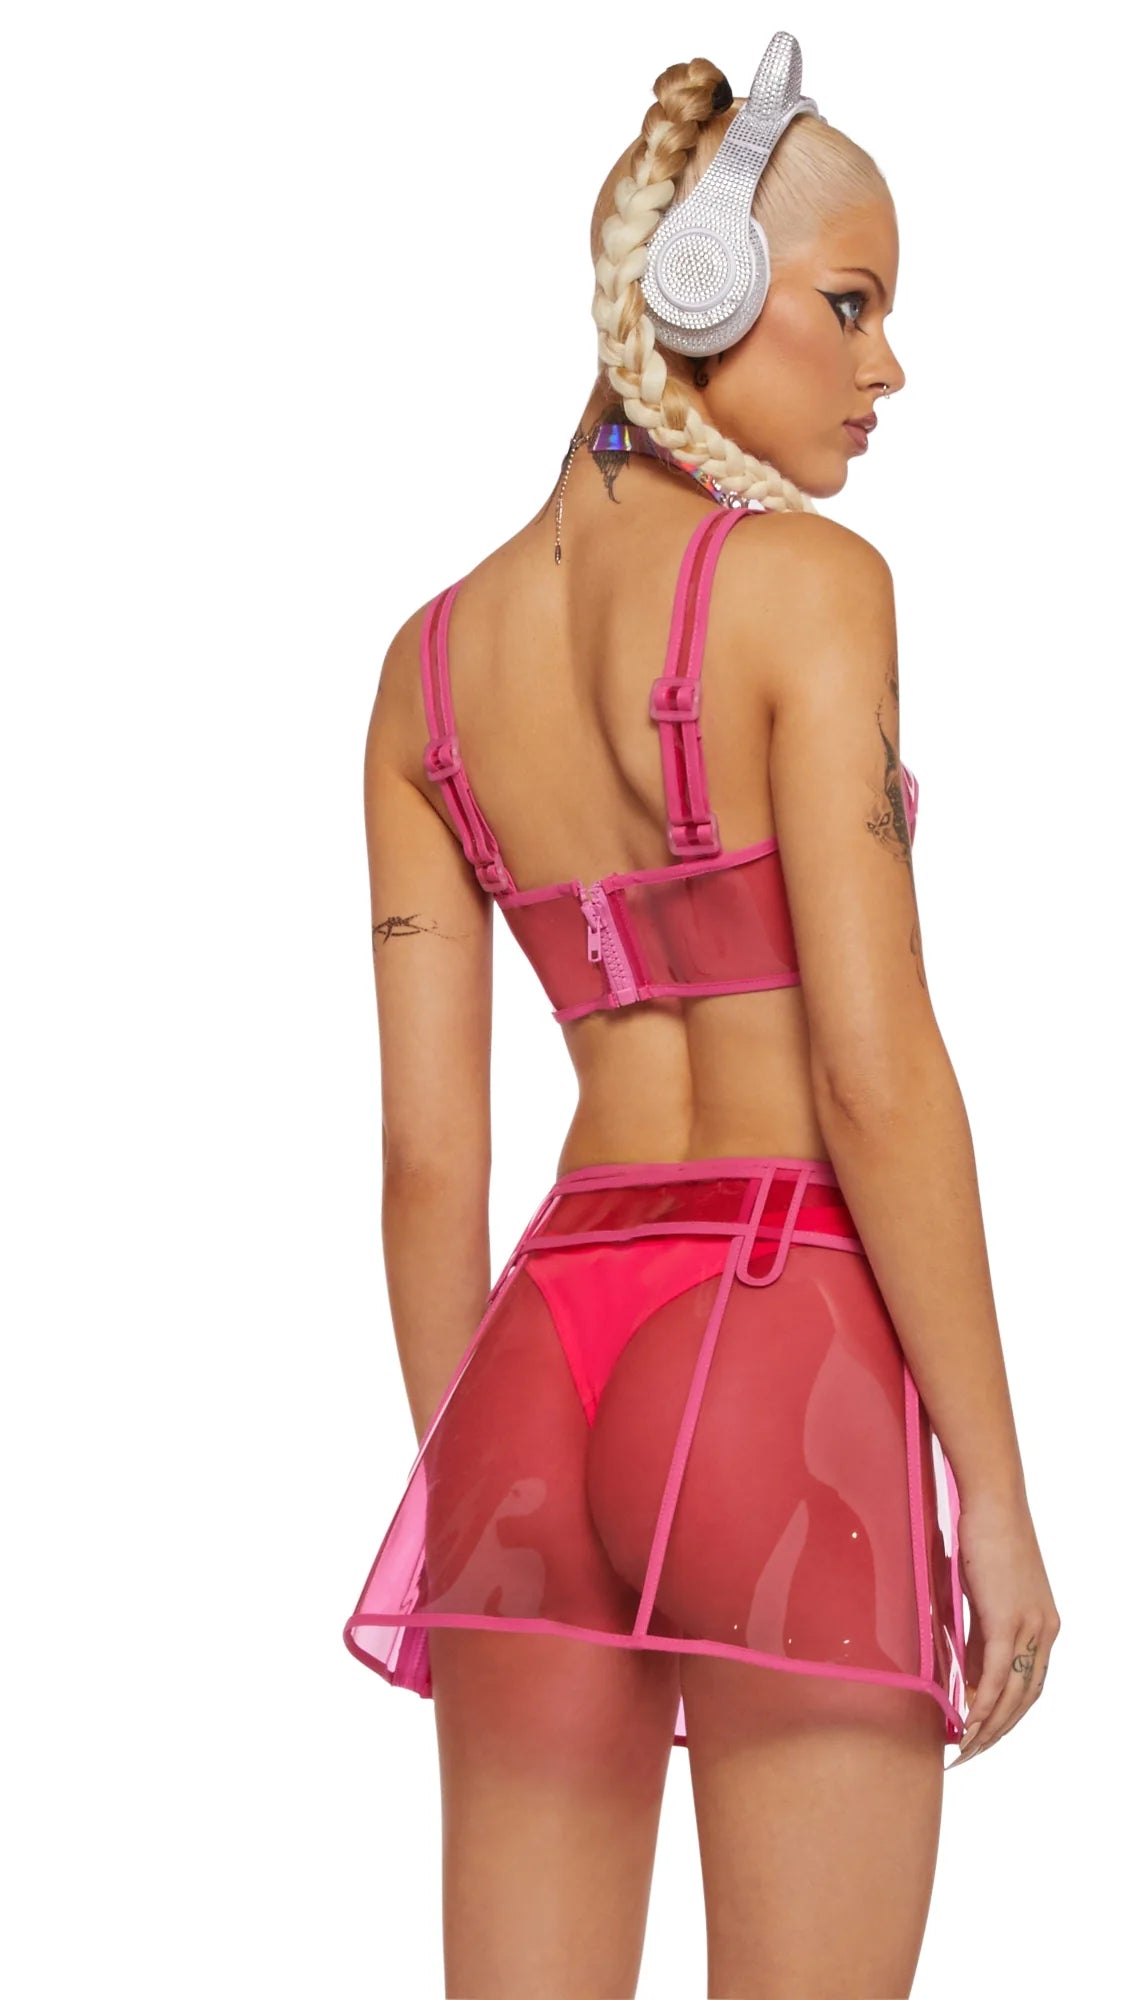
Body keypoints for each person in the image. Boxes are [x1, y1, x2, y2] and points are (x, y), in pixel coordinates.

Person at [345, 31, 1059, 1999]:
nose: (885, 368)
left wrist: (495, 1510)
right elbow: (873, 1071)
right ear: (704, 286)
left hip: (530, 1368)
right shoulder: (810, 589)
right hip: (776, 1333)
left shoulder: (423, 670)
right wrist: (994, 1499)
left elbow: (426, 1161)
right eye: (852, 304)